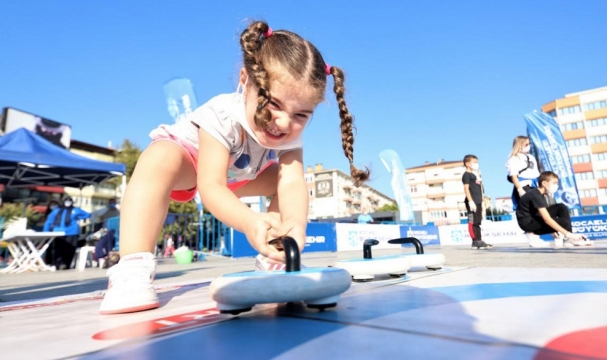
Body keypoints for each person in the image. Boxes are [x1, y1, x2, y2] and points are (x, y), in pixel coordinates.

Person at [99, 20, 369, 315]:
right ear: (245, 81)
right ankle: (132, 268)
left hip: (237, 176)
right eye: (273, 104)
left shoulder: (291, 132)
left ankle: (273, 258)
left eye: (301, 114)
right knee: (156, 158)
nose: (283, 123)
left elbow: (291, 183)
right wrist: (250, 222)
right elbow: (210, 187)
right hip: (191, 165)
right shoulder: (222, 115)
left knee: (282, 182)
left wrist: (293, 228)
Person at [516, 171, 592, 248]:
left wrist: (553, 230)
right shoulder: (535, 195)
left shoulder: (539, 194)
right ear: (544, 183)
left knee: (561, 207)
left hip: (533, 219)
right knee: (563, 223)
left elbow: (542, 214)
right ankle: (532, 234)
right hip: (528, 224)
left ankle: (567, 239)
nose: (556, 186)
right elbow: (547, 219)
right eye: (554, 183)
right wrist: (569, 234)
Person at [43, 196, 91, 269]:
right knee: (58, 249)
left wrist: (79, 217)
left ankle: (66, 264)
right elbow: (49, 221)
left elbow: (87, 214)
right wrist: (45, 232)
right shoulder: (57, 210)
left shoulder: (75, 210)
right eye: (66, 201)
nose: (68, 203)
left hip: (72, 232)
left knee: (70, 249)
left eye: (69, 201)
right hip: (58, 232)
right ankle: (58, 264)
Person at [462, 155, 493, 249]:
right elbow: (466, 188)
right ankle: (475, 241)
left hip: (478, 201)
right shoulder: (466, 175)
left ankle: (479, 240)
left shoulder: (475, 175)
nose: (477, 164)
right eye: (474, 162)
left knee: (478, 222)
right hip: (472, 201)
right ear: (467, 164)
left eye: (477, 162)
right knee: (473, 221)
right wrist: (470, 201)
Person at [505, 136, 540, 211]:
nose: (528, 146)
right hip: (523, 185)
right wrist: (519, 189)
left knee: (537, 209)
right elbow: (513, 175)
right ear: (520, 145)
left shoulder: (531, 157)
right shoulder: (514, 158)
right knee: (528, 209)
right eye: (526, 144)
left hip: (534, 185)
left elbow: (537, 174)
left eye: (529, 144)